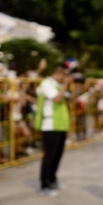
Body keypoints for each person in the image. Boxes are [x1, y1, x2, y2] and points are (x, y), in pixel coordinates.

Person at [34, 63, 71, 197]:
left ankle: (53, 179)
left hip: (60, 125)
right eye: (64, 75)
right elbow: (57, 98)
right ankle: (45, 184)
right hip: (50, 125)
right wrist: (66, 84)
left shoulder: (57, 85)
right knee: (49, 156)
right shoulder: (46, 83)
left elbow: (67, 96)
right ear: (60, 73)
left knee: (57, 155)